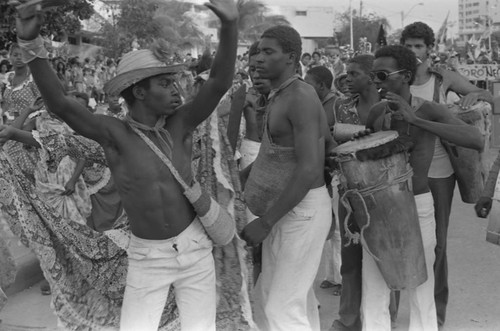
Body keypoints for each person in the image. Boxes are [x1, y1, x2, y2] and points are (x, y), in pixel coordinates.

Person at [15, 1, 238, 330]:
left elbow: (219, 83)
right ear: (139, 91)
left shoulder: (181, 124)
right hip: (148, 259)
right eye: (165, 84)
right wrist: (32, 46)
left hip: (195, 251)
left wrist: (230, 25)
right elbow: (60, 104)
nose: (177, 91)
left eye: (175, 83)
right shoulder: (114, 133)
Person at [362, 45, 483, 331]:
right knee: (375, 283)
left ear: (404, 76)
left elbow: (475, 139)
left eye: (382, 75)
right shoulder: (377, 111)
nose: (377, 82)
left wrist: (417, 121)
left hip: (417, 203)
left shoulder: (427, 109)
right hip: (379, 208)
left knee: (422, 284)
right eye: (373, 76)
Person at [400, 21, 493, 327]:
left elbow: (484, 95)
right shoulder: (394, 77)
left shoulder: (443, 78)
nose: (413, 51)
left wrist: (473, 97)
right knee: (397, 241)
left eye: (418, 46)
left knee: (438, 245)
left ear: (429, 49)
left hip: (439, 172)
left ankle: (435, 315)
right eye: (409, 45)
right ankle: (387, 313)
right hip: (398, 172)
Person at [240, 25, 332, 331]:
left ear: (291, 57)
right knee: (285, 298)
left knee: (282, 307)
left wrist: (266, 223)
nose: (258, 59)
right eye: (257, 52)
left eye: (269, 52)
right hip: (286, 209)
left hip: (302, 211)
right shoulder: (280, 95)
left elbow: (309, 168)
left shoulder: (300, 97)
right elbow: (272, 156)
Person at [329, 54, 381, 331]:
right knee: (350, 259)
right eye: (346, 73)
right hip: (348, 190)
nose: (347, 78)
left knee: (385, 258)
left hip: (385, 190)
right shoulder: (341, 107)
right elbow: (328, 138)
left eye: (353, 73)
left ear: (371, 77)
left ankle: (385, 317)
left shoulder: (391, 106)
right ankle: (348, 320)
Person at [304, 65, 342, 295]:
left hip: (335, 171)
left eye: (309, 84)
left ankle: (341, 278)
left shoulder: (336, 105)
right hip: (324, 172)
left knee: (338, 230)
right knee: (329, 228)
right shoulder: (317, 104)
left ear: (321, 86)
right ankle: (332, 275)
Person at [1, 43, 40, 124]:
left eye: (22, 55)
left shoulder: (33, 79)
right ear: (10, 57)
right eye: (15, 55)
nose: (19, 58)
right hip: (7, 126)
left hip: (27, 127)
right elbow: (5, 104)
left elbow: (41, 105)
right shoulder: (8, 78)